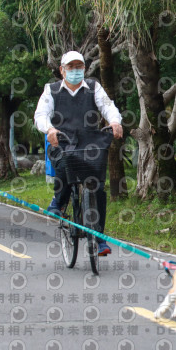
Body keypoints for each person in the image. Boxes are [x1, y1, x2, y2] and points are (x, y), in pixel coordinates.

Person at [34, 51, 123, 256]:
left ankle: (99, 239)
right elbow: (41, 115)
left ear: (84, 68)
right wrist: (49, 129)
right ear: (62, 70)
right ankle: (59, 199)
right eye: (71, 67)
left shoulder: (93, 87)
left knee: (98, 188)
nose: (75, 70)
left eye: (79, 66)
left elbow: (107, 106)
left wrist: (115, 121)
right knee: (64, 166)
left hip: (89, 143)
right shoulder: (52, 90)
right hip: (62, 141)